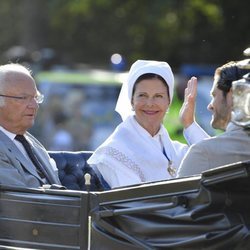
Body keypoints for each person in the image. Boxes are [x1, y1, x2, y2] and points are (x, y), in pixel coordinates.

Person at [88, 60, 209, 188]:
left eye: (158, 96)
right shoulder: (114, 153)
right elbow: (134, 203)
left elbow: (216, 165)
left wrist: (189, 123)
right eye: (142, 95)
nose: (150, 103)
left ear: (168, 101)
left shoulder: (175, 151)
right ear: (131, 100)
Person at [177, 60, 250, 177]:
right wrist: (190, 125)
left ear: (232, 96)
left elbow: (177, 194)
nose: (210, 105)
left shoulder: (202, 154)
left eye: (214, 95)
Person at [0, 63, 61, 188]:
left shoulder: (32, 142)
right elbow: (19, 200)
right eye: (23, 98)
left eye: (35, 97)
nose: (34, 105)